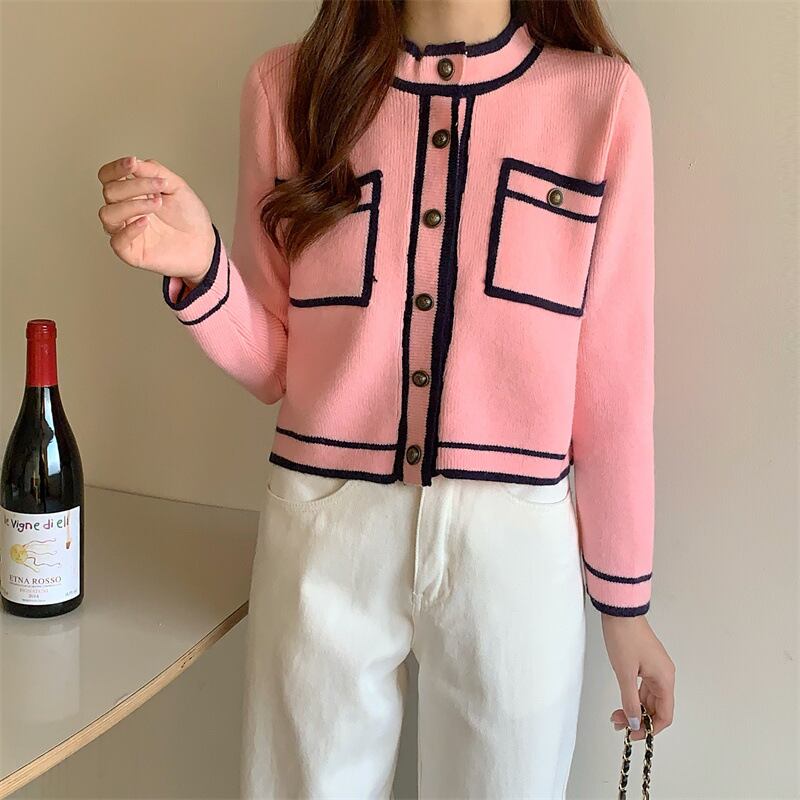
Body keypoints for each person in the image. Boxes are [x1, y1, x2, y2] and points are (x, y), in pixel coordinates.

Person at [97, 0, 676, 796]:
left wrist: (623, 605)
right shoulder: (288, 91)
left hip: (514, 545)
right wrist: (202, 269)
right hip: (323, 525)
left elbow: (612, 381)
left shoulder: (600, 102)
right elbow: (274, 363)